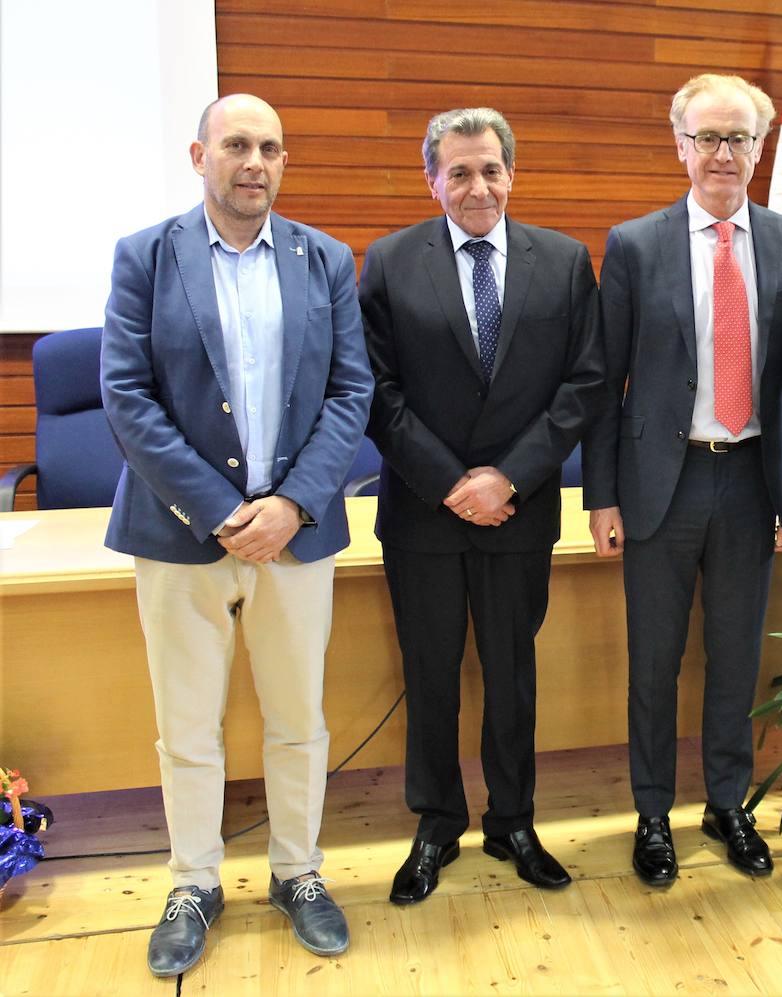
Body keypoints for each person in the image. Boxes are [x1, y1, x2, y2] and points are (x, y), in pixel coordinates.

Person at [101, 93, 373, 976]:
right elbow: (127, 397)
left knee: (299, 720)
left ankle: (298, 871)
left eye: (272, 148)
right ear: (199, 155)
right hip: (181, 534)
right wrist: (219, 511)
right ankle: (194, 882)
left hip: (295, 533)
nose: (255, 161)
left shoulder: (325, 259)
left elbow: (350, 391)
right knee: (187, 724)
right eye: (238, 145)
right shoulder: (145, 256)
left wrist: (291, 503)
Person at [359, 107, 603, 905]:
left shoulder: (564, 263)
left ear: (511, 173)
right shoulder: (390, 263)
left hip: (520, 509)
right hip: (425, 514)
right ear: (433, 178)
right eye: (458, 171)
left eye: (491, 168)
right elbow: (377, 391)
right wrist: (450, 482)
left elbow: (583, 384)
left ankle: (514, 819)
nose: (477, 186)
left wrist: (510, 477)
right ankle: (435, 822)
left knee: (511, 671)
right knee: (429, 672)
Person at [581, 73, 782, 886]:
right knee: (653, 660)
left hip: (754, 479)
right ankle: (653, 812)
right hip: (662, 481)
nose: (723, 153)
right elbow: (603, 379)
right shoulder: (636, 243)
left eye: (739, 138)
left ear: (760, 148)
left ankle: (728, 803)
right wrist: (602, 493)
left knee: (734, 654)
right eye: (708, 138)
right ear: (680, 145)